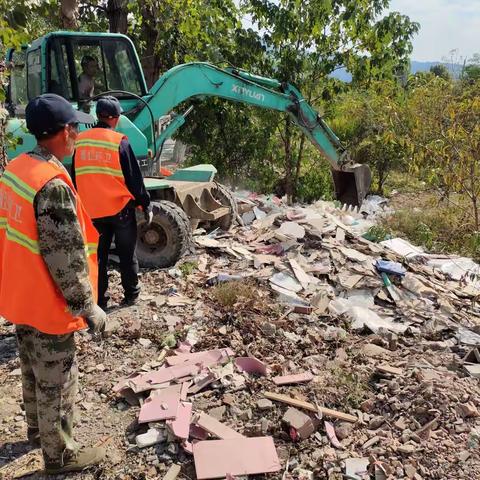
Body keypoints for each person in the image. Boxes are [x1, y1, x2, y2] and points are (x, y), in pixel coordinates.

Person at [0, 94, 107, 474]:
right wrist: (86, 305)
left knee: (31, 369)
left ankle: (36, 432)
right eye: (75, 127)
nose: (77, 133)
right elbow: (65, 257)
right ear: (64, 132)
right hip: (48, 303)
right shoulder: (52, 185)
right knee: (58, 382)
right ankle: (59, 454)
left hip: (19, 294)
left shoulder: (16, 168)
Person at [72, 96, 151, 309]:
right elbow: (134, 178)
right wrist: (145, 203)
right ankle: (131, 296)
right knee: (127, 254)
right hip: (120, 210)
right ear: (116, 118)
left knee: (97, 258)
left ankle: (99, 301)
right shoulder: (119, 141)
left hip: (92, 212)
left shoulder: (80, 141)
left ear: (98, 116)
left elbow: (75, 176)